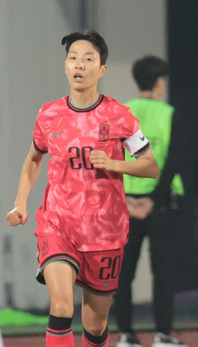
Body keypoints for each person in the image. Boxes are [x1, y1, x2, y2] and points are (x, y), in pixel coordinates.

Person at [5, 30, 159, 347]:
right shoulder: (48, 114)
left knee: (95, 324)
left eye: (88, 59)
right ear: (65, 66)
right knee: (61, 307)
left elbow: (150, 165)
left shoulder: (119, 116)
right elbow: (33, 160)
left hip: (105, 232)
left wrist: (116, 164)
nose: (79, 64)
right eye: (73, 57)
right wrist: (20, 202)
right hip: (58, 223)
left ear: (101, 69)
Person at [114, 56, 186, 347]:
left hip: (125, 205)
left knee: (122, 274)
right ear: (160, 82)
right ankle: (163, 336)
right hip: (160, 206)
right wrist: (154, 200)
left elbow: (112, 159)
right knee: (162, 273)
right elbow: (174, 160)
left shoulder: (122, 113)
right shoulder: (170, 114)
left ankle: (126, 336)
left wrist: (125, 198)